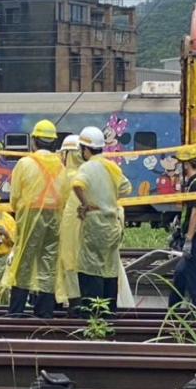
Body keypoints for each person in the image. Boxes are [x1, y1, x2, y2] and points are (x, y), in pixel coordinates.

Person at [5, 119, 65, 318]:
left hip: (31, 214)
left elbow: (14, 197)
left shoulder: (25, 163)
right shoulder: (61, 165)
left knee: (24, 261)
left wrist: (20, 213)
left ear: (34, 141)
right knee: (48, 261)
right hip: (55, 214)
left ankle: (16, 311)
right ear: (54, 142)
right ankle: (45, 312)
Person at [71, 126, 132, 315]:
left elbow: (77, 184)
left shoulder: (87, 167)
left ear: (85, 149)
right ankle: (109, 312)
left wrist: (86, 203)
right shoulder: (111, 166)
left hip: (95, 223)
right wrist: (109, 197)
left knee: (91, 267)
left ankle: (92, 312)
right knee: (110, 268)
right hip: (112, 223)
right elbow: (126, 189)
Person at [168, 146, 196, 315]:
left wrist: (188, 239)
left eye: (180, 163)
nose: (179, 167)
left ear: (186, 164)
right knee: (180, 273)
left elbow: (195, 213)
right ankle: (172, 312)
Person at [55, 134, 84, 313]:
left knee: (67, 263)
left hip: (67, 229)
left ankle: (69, 301)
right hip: (86, 229)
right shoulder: (88, 173)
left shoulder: (65, 176)